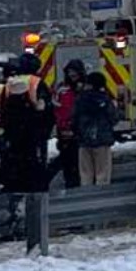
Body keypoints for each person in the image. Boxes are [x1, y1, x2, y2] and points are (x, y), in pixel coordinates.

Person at [0, 53, 53, 218]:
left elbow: (2, 110)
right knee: (34, 170)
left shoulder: (8, 85)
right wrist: (44, 131)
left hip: (13, 136)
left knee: (14, 171)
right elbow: (45, 110)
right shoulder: (36, 83)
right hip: (32, 135)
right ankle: (34, 206)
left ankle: (13, 204)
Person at [73, 73, 119, 186]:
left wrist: (78, 132)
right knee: (102, 172)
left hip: (84, 141)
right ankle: (101, 195)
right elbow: (113, 118)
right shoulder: (105, 99)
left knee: (85, 173)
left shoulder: (80, 100)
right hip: (102, 140)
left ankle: (86, 195)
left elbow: (74, 119)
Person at [51, 58, 85, 189]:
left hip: (81, 129)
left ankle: (77, 180)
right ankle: (70, 181)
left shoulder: (85, 87)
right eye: (70, 72)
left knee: (78, 158)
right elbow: (57, 108)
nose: (72, 75)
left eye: (74, 72)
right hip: (65, 129)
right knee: (67, 157)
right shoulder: (62, 88)